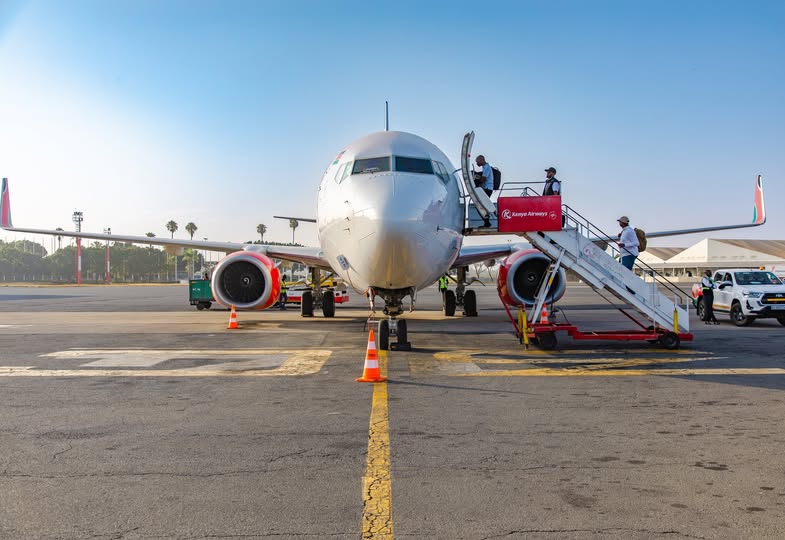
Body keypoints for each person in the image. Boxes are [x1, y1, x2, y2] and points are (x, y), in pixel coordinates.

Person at [475, 155, 494, 228]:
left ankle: (487, 223)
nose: (477, 164)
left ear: (482, 160)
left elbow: (483, 179)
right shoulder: (485, 167)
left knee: (481, 206)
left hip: (487, 188)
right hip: (487, 188)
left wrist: (477, 181)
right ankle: (486, 223)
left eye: (477, 162)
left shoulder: (486, 167)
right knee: (483, 205)